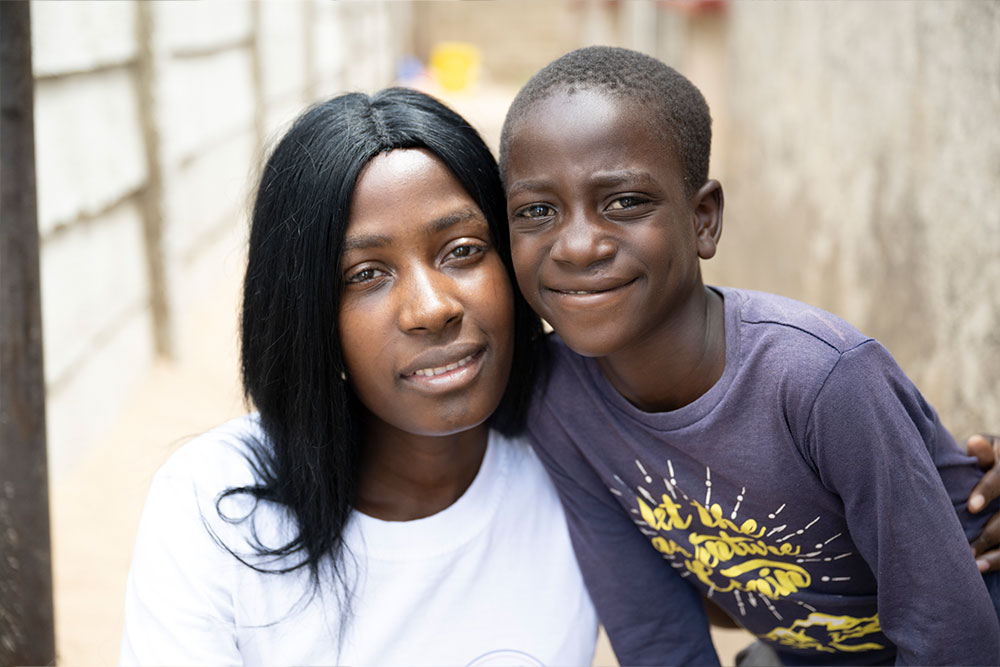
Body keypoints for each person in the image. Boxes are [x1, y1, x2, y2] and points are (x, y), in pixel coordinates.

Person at [498, 45, 1000, 665]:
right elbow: (655, 633)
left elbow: (950, 637)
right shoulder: (559, 402)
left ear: (703, 218)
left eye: (625, 201)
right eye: (537, 211)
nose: (576, 246)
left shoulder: (822, 379)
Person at [120, 88, 598, 665]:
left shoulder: (585, 462)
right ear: (308, 311)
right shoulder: (214, 505)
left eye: (463, 250)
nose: (431, 308)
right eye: (366, 274)